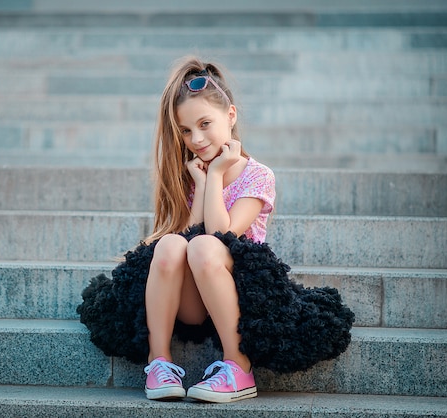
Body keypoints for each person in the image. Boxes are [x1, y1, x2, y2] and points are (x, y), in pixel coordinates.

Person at [77, 56, 354, 404]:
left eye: (205, 123)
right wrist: (202, 179)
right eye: (186, 130)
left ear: (231, 116)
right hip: (195, 299)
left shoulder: (258, 175)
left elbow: (223, 234)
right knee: (170, 246)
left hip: (239, 294)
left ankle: (238, 366)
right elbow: (192, 232)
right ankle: (158, 362)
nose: (196, 138)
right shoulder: (197, 173)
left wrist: (219, 174)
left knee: (205, 247)